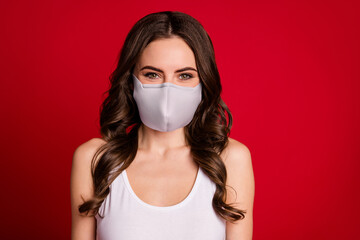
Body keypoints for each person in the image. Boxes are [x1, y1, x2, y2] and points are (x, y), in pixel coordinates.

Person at [70, 11, 255, 240]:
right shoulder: (94, 160)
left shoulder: (230, 159)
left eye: (184, 76)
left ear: (204, 82)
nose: (168, 89)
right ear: (131, 81)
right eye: (152, 74)